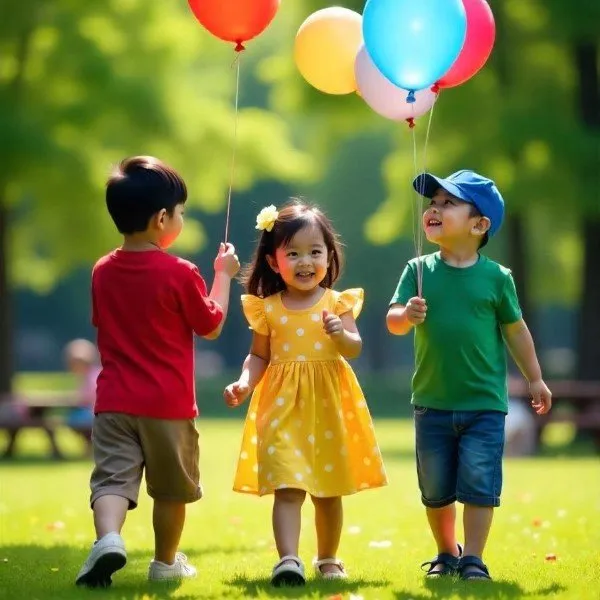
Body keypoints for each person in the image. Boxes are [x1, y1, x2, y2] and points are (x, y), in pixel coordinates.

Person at [75, 156, 240, 588]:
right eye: (181, 212)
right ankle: (165, 562)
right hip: (167, 404)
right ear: (162, 217)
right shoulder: (180, 272)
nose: (181, 218)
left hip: (112, 401)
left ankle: (108, 538)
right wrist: (222, 276)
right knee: (170, 490)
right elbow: (212, 324)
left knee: (112, 480)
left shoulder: (102, 270)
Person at [386, 170, 552, 581]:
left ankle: (473, 557)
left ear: (479, 225)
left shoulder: (497, 278)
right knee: (436, 489)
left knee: (480, 484)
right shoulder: (418, 270)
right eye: (433, 203)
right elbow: (391, 320)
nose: (434, 209)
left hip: (484, 404)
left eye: (448, 203)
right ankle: (446, 553)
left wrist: (535, 378)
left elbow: (516, 330)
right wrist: (406, 315)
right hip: (431, 401)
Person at [224, 201, 387, 587]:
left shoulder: (337, 302)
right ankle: (289, 560)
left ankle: (328, 558)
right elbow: (258, 355)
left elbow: (354, 348)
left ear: (330, 257)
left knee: (329, 492)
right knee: (288, 484)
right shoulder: (268, 309)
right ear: (272, 260)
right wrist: (245, 382)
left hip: (329, 405)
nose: (305, 261)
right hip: (282, 407)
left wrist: (340, 334)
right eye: (293, 253)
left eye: (315, 252)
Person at [64, 338, 101, 451]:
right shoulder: (88, 376)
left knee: (73, 419)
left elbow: (88, 399)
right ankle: (90, 445)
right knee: (73, 417)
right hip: (94, 413)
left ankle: (90, 445)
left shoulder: (92, 377)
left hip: (95, 414)